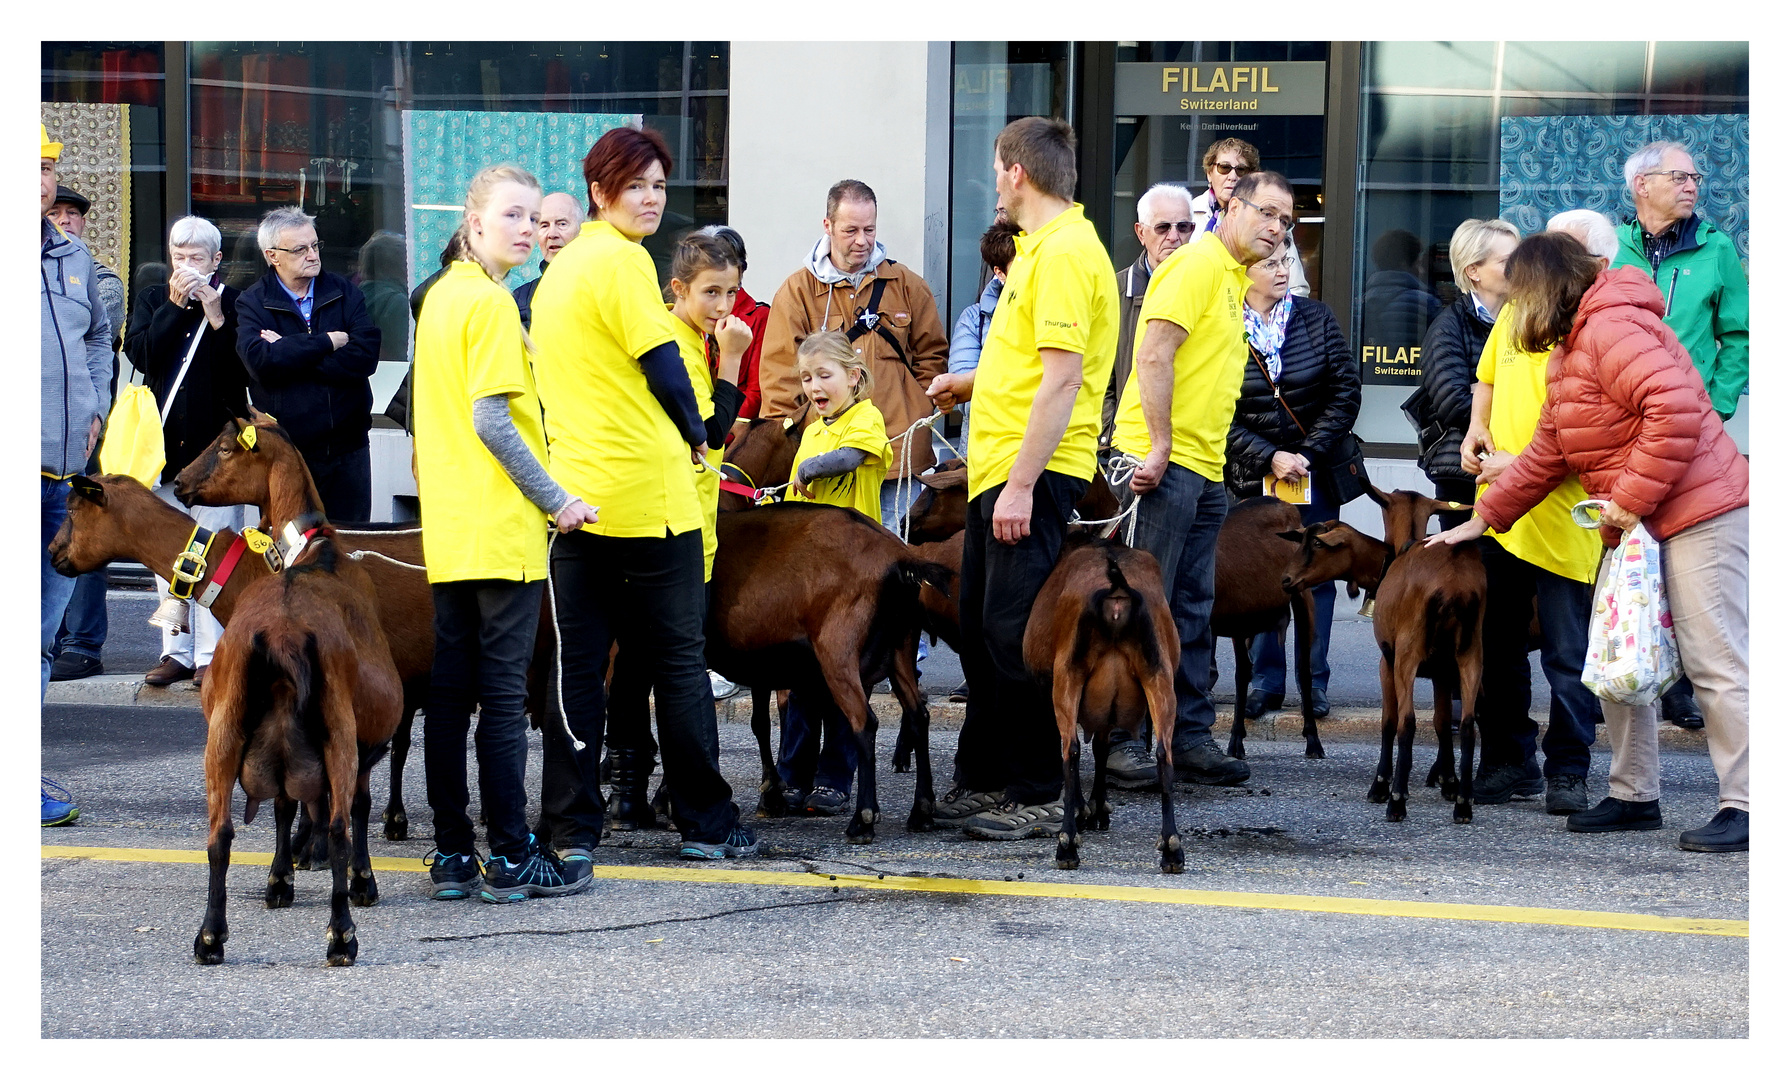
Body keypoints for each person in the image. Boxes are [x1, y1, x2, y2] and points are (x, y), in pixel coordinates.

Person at [1432, 231, 1749, 854]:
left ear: (1544, 290)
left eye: (1518, 294)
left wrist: (1627, 502)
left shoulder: (1612, 328)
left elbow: (1676, 412)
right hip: (1640, 518)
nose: (1510, 309)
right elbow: (1550, 448)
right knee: (1621, 656)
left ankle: (1749, 802)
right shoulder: (1573, 344)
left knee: (1715, 665)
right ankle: (1633, 795)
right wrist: (1483, 517)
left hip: (1699, 512)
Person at [530, 125, 757, 860]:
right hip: (652, 502)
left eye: (660, 184)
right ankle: (707, 822)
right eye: (637, 185)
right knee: (681, 670)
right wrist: (697, 427)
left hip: (575, 501)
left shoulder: (559, 271)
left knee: (580, 676)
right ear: (601, 192)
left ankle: (569, 829)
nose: (652, 198)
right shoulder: (623, 261)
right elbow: (661, 361)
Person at [923, 116, 1118, 839]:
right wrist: (969, 384)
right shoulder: (1040, 250)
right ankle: (990, 778)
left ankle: (1040, 790)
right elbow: (1034, 366)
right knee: (979, 628)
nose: (994, 182)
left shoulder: (1065, 253)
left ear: (1015, 174)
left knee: (1014, 636)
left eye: (996, 168)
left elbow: (1064, 383)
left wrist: (1022, 485)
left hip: (1027, 476)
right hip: (999, 469)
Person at [413, 164, 597, 903]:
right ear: (475, 220)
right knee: (498, 699)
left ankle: (454, 852)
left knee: (450, 698)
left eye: (533, 217)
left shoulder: (441, 299)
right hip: (501, 531)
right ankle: (514, 851)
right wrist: (557, 499)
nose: (526, 228)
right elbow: (493, 420)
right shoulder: (488, 304)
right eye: (512, 215)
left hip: (453, 531)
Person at [1106, 169, 1299, 790]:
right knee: (1140, 603)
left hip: (1204, 466)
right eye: (1267, 213)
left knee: (1193, 608)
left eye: (1287, 221)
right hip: (1159, 464)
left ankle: (1186, 736)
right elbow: (1153, 352)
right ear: (1231, 207)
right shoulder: (1193, 266)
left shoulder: (1229, 277)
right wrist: (1158, 447)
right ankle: (1120, 739)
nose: (1276, 229)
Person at [1453, 211, 1614, 814]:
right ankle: (1508, 760)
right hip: (1502, 513)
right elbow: (1486, 381)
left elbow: (1594, 436)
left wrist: (1517, 465)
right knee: (1496, 644)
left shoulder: (1591, 330)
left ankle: (1569, 770)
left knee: (1568, 657)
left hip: (1568, 518)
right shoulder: (1516, 315)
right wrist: (1476, 429)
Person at [604, 232, 754, 829]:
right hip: (676, 527)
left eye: (733, 292)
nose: (724, 307)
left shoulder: (689, 340)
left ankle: (631, 789)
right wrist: (738, 359)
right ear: (678, 290)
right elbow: (713, 431)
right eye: (711, 293)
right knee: (676, 666)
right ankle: (684, 795)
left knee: (638, 659)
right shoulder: (679, 346)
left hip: (671, 520)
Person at [1611, 140, 1749, 732]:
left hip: (1690, 429)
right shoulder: (1611, 248)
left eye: (1696, 176)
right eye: (1680, 176)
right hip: (1621, 429)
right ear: (1642, 185)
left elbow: (1739, 334)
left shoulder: (1717, 249)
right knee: (1631, 558)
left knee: (1691, 557)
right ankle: (1633, 670)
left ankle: (1685, 683)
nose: (1693, 184)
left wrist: (1713, 407)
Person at [1224, 236, 1361, 726]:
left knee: (1317, 576)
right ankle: (1265, 680)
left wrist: (1304, 453)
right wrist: (1269, 456)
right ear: (1242, 270)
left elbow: (1346, 392)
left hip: (1314, 472)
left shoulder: (1315, 317)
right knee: (1263, 576)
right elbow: (1216, 408)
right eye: (1269, 262)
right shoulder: (1222, 321)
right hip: (1254, 476)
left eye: (1286, 260)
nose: (1281, 269)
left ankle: (1313, 681)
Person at [759, 179, 949, 529]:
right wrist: (800, 447)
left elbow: (933, 355)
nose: (862, 240)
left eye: (869, 229)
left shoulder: (906, 285)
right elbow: (779, 383)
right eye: (850, 230)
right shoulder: (797, 292)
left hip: (899, 457)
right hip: (827, 464)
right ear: (828, 226)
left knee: (894, 563)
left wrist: (919, 406)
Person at [121, 216, 254, 689]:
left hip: (216, 453)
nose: (186, 267)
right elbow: (142, 355)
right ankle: (174, 648)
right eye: (179, 257)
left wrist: (217, 317)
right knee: (166, 555)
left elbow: (240, 371)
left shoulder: (237, 303)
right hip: (162, 448)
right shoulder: (155, 298)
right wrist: (175, 307)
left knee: (213, 552)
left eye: (196, 258)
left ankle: (211, 653)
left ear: (217, 261)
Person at [768, 331, 896, 815]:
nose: (814, 386)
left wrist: (810, 468)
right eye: (806, 377)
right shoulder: (811, 430)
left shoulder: (867, 419)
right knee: (802, 681)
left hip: (852, 576)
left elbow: (848, 460)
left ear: (854, 377)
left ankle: (836, 778)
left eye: (825, 375)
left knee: (846, 680)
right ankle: (792, 775)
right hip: (811, 577)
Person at [41, 123, 113, 826]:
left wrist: (95, 403)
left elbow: (97, 336)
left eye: (45, 168)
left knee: (39, 632)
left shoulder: (72, 258)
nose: (41, 180)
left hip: (61, 471)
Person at [235, 206, 382, 521]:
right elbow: (261, 364)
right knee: (292, 552)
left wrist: (289, 350)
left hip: (348, 450)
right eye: (300, 249)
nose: (313, 255)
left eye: (315, 245)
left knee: (349, 548)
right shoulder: (253, 302)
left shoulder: (344, 293)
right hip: (288, 453)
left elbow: (365, 357)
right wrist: (326, 342)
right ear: (273, 255)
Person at [45, 183, 125, 682]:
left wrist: (95, 406)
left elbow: (99, 335)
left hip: (82, 437)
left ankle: (82, 640)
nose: (66, 220)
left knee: (84, 538)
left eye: (73, 214)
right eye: (58, 212)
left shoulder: (99, 277)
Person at [1409, 218, 1520, 529]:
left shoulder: (1526, 320)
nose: (1519, 267)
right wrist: (1510, 399)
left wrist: (1482, 389)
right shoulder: (1447, 327)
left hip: (1514, 464)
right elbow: (1454, 403)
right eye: (1506, 261)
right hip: (1464, 470)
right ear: (1474, 271)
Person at [1101, 183, 1198, 450]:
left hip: (1192, 445)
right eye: (1163, 227)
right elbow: (1098, 376)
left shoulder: (1209, 287)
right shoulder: (1114, 292)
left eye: (1184, 227)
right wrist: (1109, 433)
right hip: (1128, 446)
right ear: (1141, 233)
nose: (1174, 236)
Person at [1189, 138, 1310, 297]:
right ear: (1209, 174)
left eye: (1241, 170)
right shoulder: (1188, 214)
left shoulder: (1274, 221)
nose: (1232, 176)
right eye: (1224, 168)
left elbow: (1297, 288)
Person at [945, 218, 1021, 462]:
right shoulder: (973, 319)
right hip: (984, 453)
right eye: (1019, 265)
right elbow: (965, 397)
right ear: (999, 272)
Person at [693, 224, 771, 440]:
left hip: (730, 438)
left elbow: (757, 393)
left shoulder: (759, 316)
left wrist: (719, 430)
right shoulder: (684, 319)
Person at [511, 191, 583, 331]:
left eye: (562, 224)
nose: (552, 234)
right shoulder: (520, 299)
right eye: (544, 225)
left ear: (581, 229)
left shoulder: (602, 284)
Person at [1361, 229, 1440, 351]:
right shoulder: (1426, 303)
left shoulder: (1361, 302)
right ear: (1404, 264)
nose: (1422, 270)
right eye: (1418, 264)